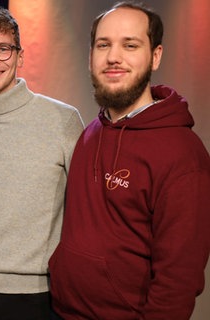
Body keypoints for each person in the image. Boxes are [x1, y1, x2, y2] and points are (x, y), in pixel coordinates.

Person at [48, 2, 210, 319]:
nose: (113, 57)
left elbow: (177, 284)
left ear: (156, 56)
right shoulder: (91, 131)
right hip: (63, 312)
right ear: (90, 56)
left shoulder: (183, 156)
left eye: (130, 45)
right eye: (103, 45)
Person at [0, 6, 84, 319]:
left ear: (19, 56)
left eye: (2, 49)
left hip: (39, 294)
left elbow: (86, 211)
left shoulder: (63, 120)